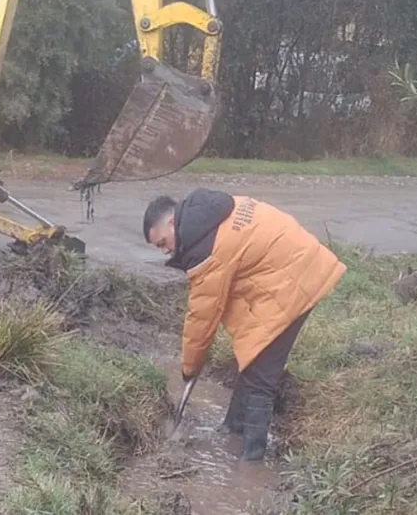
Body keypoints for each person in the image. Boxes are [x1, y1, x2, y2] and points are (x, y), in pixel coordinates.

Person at [142, 189, 347, 461]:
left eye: (163, 243)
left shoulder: (203, 247)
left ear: (171, 223)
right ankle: (231, 429)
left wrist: (190, 369)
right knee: (250, 359)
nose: (166, 251)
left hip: (294, 279)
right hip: (292, 265)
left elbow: (201, 318)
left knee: (262, 377)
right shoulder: (207, 213)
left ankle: (251, 464)